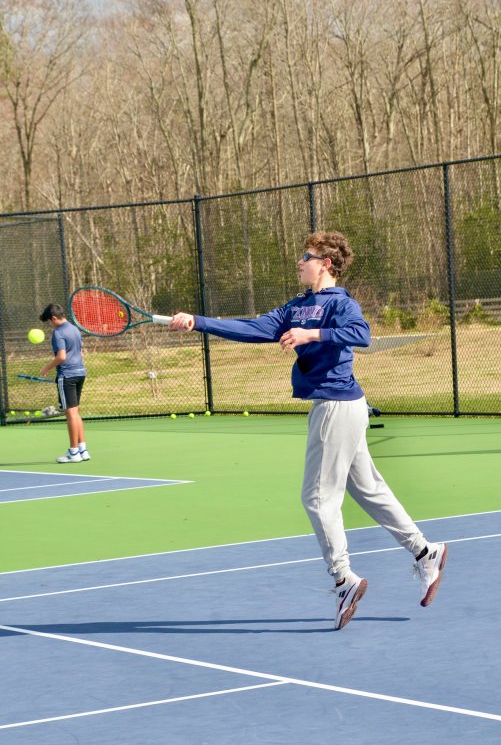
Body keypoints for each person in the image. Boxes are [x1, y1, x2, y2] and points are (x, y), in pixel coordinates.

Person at [170, 231, 447, 630]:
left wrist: (312, 334)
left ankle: (343, 580)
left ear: (326, 264)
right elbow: (252, 327)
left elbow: (362, 335)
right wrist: (198, 322)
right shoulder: (297, 305)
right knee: (368, 489)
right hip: (340, 407)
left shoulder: (341, 303)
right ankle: (425, 553)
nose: (299, 262)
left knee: (317, 498)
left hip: (338, 405)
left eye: (307, 256)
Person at [39, 303, 90, 463]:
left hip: (67, 375)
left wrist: (46, 368)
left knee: (71, 415)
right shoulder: (75, 328)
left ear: (54, 318)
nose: (50, 324)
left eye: (49, 321)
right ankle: (83, 450)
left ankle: (73, 452)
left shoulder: (58, 332)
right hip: (80, 373)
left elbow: (61, 356)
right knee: (76, 413)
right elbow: (82, 352)